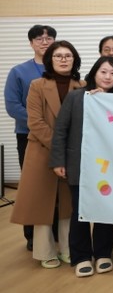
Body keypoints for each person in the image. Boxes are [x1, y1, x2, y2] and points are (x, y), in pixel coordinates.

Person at [10, 40, 83, 269]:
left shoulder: (82, 85)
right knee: (42, 202)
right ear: (50, 60)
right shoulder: (37, 85)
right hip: (42, 149)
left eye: (68, 56)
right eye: (58, 56)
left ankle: (68, 248)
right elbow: (35, 122)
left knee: (68, 203)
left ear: (74, 59)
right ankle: (45, 251)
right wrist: (61, 146)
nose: (63, 59)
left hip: (72, 153)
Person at [50, 56, 113, 277]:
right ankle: (81, 256)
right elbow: (61, 130)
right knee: (79, 210)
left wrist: (106, 103)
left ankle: (103, 254)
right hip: (79, 163)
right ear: (94, 73)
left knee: (105, 210)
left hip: (108, 166)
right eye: (103, 72)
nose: (108, 77)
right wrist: (58, 161)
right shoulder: (76, 97)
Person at [4, 24, 57, 250]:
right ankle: (32, 236)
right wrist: (40, 124)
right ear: (31, 43)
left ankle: (55, 233)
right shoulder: (18, 71)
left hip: (57, 137)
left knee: (57, 186)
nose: (44, 42)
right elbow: (13, 106)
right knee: (33, 186)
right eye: (39, 38)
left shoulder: (62, 71)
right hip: (28, 136)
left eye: (49, 38)